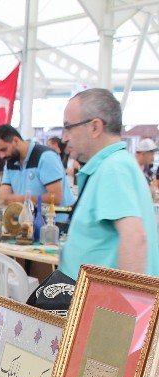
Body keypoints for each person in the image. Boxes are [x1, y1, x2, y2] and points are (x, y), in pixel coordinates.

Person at [59, 88, 159, 278]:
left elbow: (134, 239)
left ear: (95, 127)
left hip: (105, 306)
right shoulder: (110, 166)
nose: (65, 137)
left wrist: (127, 303)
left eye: (68, 127)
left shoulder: (114, 168)